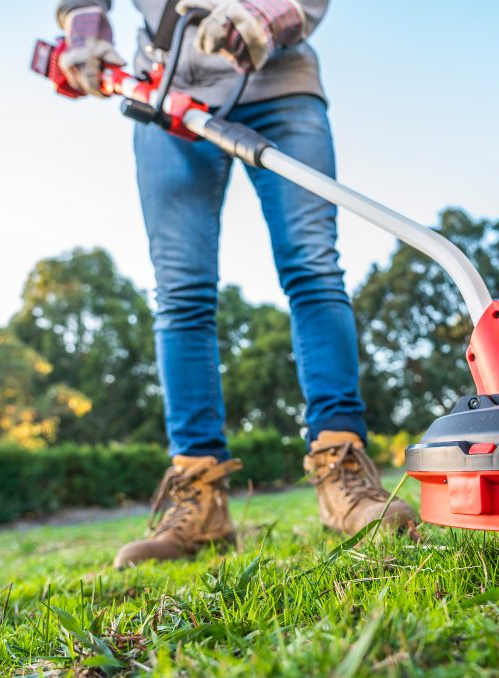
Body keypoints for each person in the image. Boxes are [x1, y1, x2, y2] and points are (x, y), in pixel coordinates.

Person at [52, 0, 415, 569]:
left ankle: (342, 474)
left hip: (279, 85)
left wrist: (265, 16)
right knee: (181, 295)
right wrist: (82, 22)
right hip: (167, 94)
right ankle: (200, 500)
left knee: (313, 269)